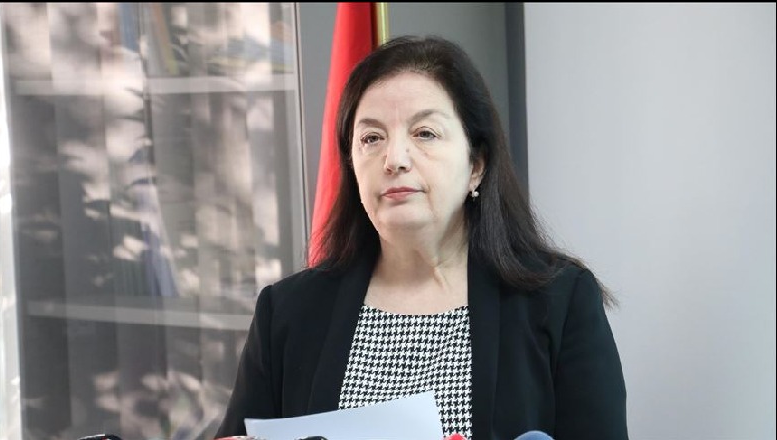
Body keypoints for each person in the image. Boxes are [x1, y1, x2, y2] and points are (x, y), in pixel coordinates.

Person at [215, 35, 628, 440]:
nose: (394, 159)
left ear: (476, 165)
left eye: (425, 133)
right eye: (371, 138)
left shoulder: (559, 301)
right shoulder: (287, 312)